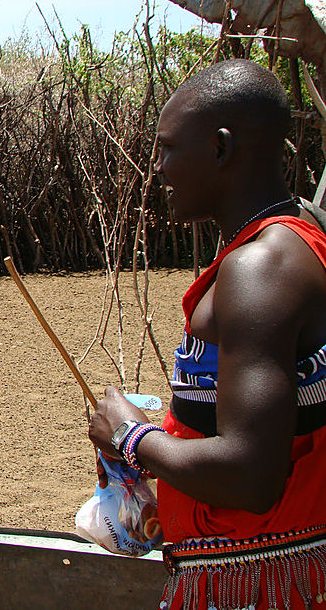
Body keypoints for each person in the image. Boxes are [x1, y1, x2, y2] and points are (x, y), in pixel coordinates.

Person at [88, 58, 326, 609]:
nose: (159, 168)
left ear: (220, 150)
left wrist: (131, 437)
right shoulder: (296, 238)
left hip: (258, 588)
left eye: (169, 148)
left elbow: (251, 474)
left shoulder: (259, 269)